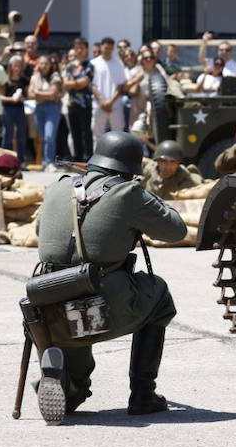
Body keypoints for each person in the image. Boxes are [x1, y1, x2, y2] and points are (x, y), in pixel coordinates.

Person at [32, 131, 189, 423]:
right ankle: (143, 394)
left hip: (49, 304)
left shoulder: (58, 187)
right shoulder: (128, 194)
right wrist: (143, 195)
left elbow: (42, 231)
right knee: (159, 294)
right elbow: (176, 229)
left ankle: (59, 379)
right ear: (130, 170)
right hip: (98, 303)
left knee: (75, 393)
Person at [89, 37, 127, 143]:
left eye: (110, 48)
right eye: (106, 48)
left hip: (115, 106)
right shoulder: (93, 63)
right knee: (98, 135)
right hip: (98, 105)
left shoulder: (118, 64)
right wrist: (102, 102)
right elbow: (92, 85)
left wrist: (110, 102)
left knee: (119, 135)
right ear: (101, 47)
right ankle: (96, 159)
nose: (108, 50)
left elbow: (120, 85)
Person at [30, 54, 65, 171]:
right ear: (38, 65)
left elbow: (52, 94)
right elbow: (30, 94)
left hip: (52, 108)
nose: (44, 66)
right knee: (43, 137)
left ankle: (50, 162)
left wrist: (38, 93)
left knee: (50, 136)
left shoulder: (55, 76)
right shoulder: (35, 76)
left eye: (46, 63)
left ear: (50, 65)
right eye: (42, 63)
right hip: (39, 109)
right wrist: (44, 94)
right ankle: (45, 162)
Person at [63, 39, 94, 162]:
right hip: (72, 103)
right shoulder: (70, 66)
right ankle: (77, 158)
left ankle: (89, 158)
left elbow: (85, 82)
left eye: (81, 48)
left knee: (86, 131)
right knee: (74, 132)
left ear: (86, 49)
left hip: (85, 104)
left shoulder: (89, 65)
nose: (79, 50)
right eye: (77, 48)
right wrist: (76, 83)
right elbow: (65, 83)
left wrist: (73, 83)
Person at [0, 54, 31, 166]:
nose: (16, 68)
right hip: (8, 109)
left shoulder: (25, 80)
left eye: (19, 65)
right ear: (11, 66)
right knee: (7, 135)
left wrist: (22, 98)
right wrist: (11, 99)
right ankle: (5, 161)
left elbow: (28, 95)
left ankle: (21, 161)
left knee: (21, 135)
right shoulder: (5, 80)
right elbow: (1, 96)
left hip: (20, 109)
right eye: (14, 65)